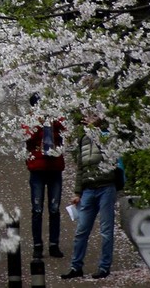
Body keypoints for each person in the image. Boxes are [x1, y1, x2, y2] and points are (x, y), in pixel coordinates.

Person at [62, 112, 120, 280]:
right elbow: (80, 168)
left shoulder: (108, 136)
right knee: (81, 230)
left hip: (106, 187)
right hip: (88, 189)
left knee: (106, 230)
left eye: (93, 116)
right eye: (88, 117)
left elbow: (111, 156)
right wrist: (77, 192)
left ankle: (104, 267)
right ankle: (76, 266)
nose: (89, 119)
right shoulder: (83, 140)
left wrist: (96, 131)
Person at [23, 95, 66, 259]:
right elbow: (28, 138)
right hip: (37, 169)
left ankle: (54, 244)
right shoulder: (30, 120)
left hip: (54, 167)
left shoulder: (57, 118)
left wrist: (54, 121)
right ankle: (37, 245)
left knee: (54, 209)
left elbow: (65, 133)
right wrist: (38, 124)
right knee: (37, 208)